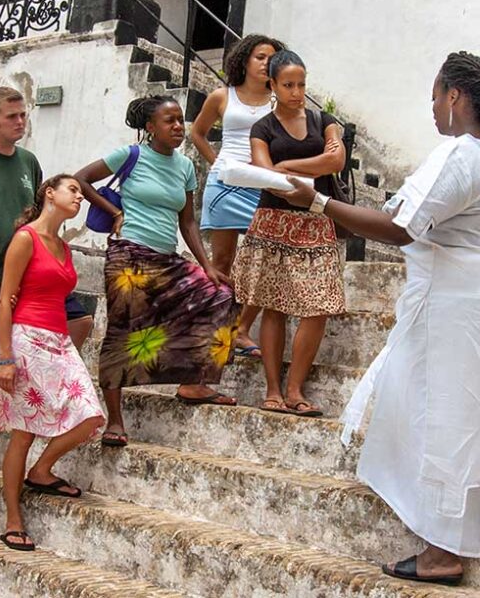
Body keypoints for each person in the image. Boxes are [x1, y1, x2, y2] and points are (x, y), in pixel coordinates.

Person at [275, 51, 480, 585]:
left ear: (455, 97)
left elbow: (399, 228)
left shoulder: (461, 155)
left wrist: (317, 202)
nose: (432, 106)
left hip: (451, 304)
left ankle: (442, 551)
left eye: (436, 96)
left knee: (439, 414)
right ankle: (451, 526)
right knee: (466, 410)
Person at [0, 87, 93, 475]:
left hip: (34, 274)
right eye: (12, 116)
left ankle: (40, 394)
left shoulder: (29, 163)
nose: (20, 121)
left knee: (81, 320)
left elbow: (34, 212)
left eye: (23, 115)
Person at [74, 95, 238, 447]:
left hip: (166, 257)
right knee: (123, 332)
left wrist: (207, 265)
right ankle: (115, 420)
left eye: (181, 120)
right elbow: (80, 180)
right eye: (170, 121)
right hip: (129, 257)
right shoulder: (129, 155)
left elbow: (189, 221)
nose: (179, 127)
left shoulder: (185, 167)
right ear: (150, 127)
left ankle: (193, 381)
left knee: (220, 295)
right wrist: (114, 213)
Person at [0, 174, 105, 552]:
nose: (80, 197)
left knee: (91, 416)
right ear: (50, 193)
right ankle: (13, 518)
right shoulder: (25, 239)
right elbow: (4, 301)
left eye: (81, 192)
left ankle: (42, 469)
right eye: (73, 190)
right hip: (26, 340)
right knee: (23, 431)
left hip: (58, 341)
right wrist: (6, 358)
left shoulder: (64, 247)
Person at [231, 50, 346, 418]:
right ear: (273, 85)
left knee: (319, 308)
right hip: (274, 222)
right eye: (288, 85)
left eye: (301, 84)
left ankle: (296, 388)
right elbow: (271, 180)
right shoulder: (261, 127)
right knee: (274, 306)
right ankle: (273, 389)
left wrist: (288, 164)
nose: (297, 92)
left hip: (316, 220)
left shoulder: (323, 120)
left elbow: (336, 161)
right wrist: (287, 171)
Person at [191, 34, 287, 359]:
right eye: (260, 56)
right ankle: (219, 335)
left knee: (269, 259)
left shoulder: (281, 99)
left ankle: (243, 328)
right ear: (244, 60)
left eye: (271, 59)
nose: (265, 63)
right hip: (225, 186)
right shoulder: (222, 96)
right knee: (221, 263)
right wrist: (216, 162)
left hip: (263, 185)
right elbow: (198, 132)